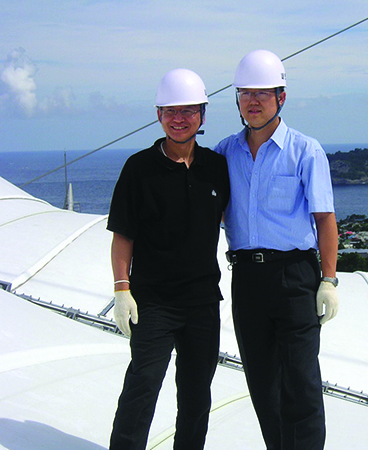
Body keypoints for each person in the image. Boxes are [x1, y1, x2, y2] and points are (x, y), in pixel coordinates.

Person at [214, 49, 339, 450]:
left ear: (280, 98)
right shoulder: (224, 152)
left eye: (262, 93)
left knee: (301, 381)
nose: (253, 101)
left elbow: (325, 220)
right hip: (247, 278)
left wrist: (329, 280)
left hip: (294, 276)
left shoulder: (305, 150)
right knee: (262, 381)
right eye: (245, 93)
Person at [107, 68, 229, 450]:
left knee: (197, 395)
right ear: (158, 115)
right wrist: (122, 289)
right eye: (171, 111)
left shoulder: (216, 167)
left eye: (188, 111)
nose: (179, 119)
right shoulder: (138, 168)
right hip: (154, 302)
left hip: (203, 302)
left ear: (202, 115)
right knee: (141, 388)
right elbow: (123, 235)